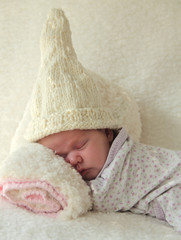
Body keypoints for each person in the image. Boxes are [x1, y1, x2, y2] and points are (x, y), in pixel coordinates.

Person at [25, 9, 181, 232]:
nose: (72, 160)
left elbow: (98, 198)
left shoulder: (121, 164)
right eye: (59, 156)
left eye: (79, 145)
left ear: (107, 133)